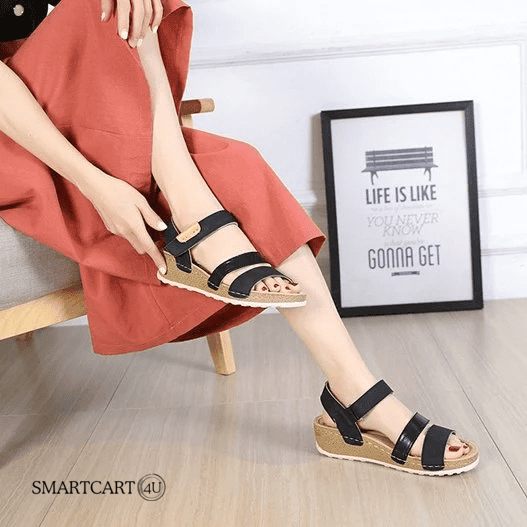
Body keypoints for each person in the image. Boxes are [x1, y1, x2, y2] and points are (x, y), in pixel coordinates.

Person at [0, 0, 479, 475]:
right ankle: (192, 208)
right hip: (17, 134)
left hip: (69, 98)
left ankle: (356, 392)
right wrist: (95, 184)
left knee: (236, 165)